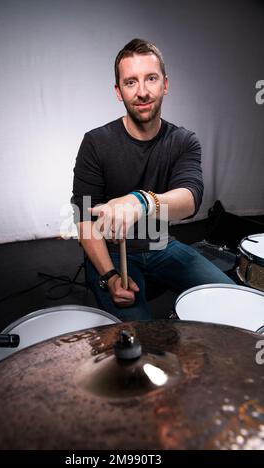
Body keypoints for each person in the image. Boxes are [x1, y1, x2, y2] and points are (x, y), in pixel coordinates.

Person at [72, 38, 234, 322]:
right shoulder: (96, 143)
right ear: (118, 92)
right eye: (131, 82)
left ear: (165, 85)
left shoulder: (183, 141)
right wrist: (109, 276)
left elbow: (189, 199)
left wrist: (141, 202)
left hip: (162, 244)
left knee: (231, 301)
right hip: (112, 251)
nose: (143, 92)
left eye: (151, 79)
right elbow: (84, 218)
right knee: (139, 338)